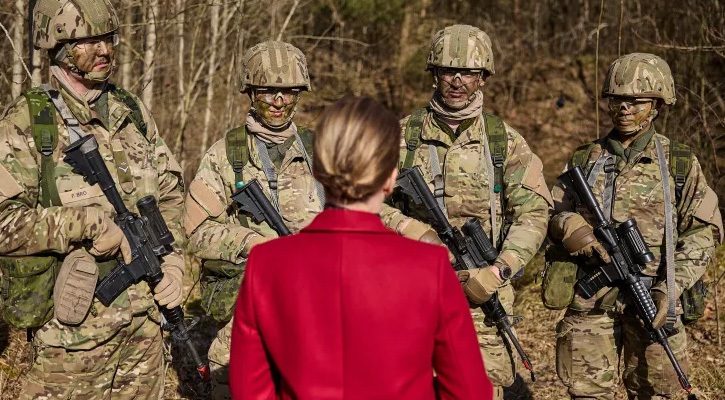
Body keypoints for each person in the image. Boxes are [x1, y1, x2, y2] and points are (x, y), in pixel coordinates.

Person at [228, 97, 492, 400]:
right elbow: (469, 392)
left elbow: (250, 392)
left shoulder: (266, 263)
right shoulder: (430, 267)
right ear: (391, 177)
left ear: (317, 172)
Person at [0, 0, 185, 398]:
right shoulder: (29, 122)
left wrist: (175, 261)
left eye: (108, 38)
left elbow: (170, 194)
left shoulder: (131, 111)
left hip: (146, 333)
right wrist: (87, 223)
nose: (105, 50)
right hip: (72, 345)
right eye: (90, 41)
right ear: (61, 47)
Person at [380, 24, 552, 398]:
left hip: (480, 296)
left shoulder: (503, 141)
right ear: (434, 74)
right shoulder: (400, 137)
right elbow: (362, 204)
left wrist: (501, 268)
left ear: (483, 78)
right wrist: (412, 231)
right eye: (447, 70)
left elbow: (534, 212)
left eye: (469, 72)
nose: (458, 81)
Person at [547, 53, 723, 399]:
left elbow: (705, 232)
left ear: (658, 104)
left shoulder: (679, 163)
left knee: (658, 392)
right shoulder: (587, 159)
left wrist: (670, 289)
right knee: (586, 394)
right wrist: (576, 233)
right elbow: (550, 214)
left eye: (636, 101)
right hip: (591, 302)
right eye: (616, 100)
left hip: (653, 302)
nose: (624, 109)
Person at [184, 40, 323, 399]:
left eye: (288, 92)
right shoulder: (225, 155)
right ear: (250, 91)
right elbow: (196, 231)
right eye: (267, 91)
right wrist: (254, 244)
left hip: (315, 308)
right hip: (250, 311)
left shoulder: (321, 151)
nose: (278, 101)